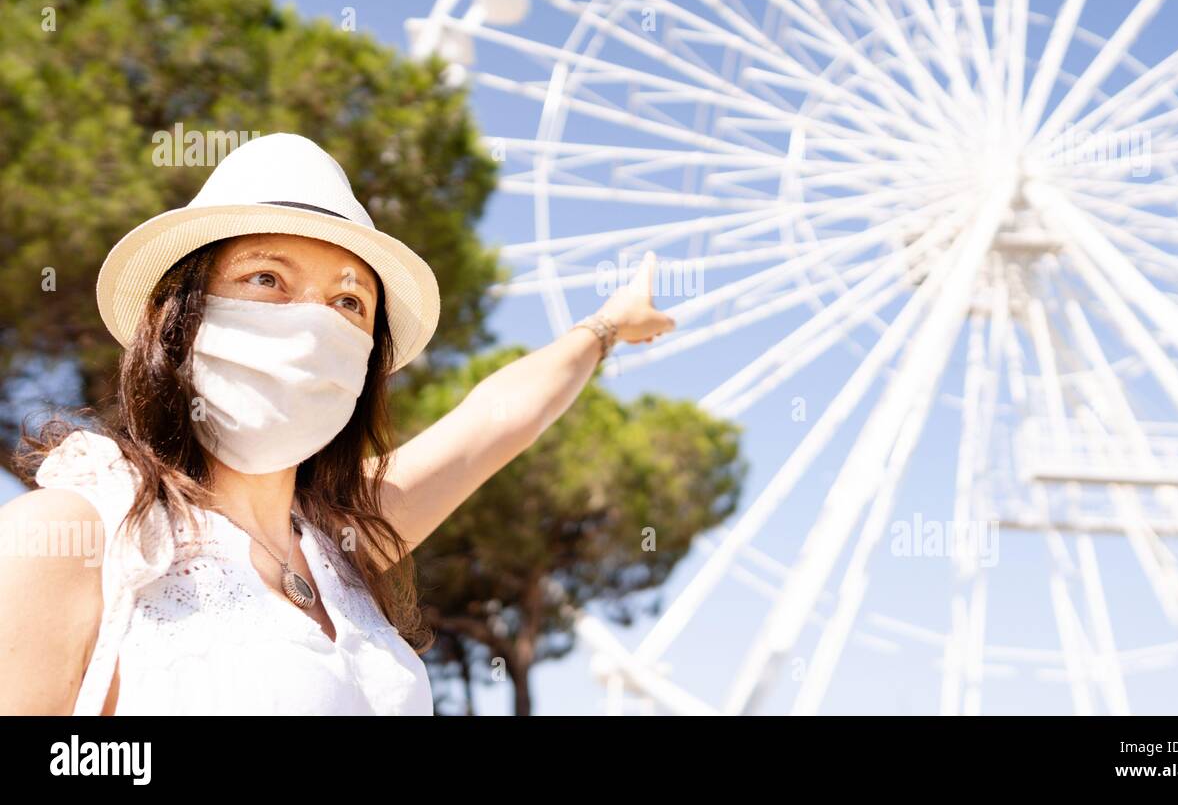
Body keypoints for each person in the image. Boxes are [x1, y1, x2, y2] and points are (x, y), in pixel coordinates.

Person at [0, 132, 675, 715]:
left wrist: (607, 326)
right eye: (266, 279)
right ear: (181, 316)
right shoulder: (76, 537)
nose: (312, 323)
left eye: (348, 300)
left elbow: (494, 422)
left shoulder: (344, 542)